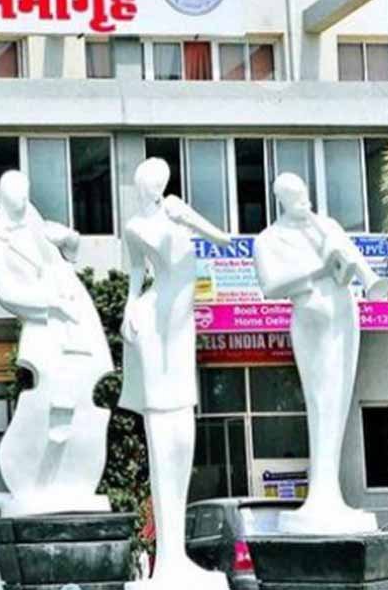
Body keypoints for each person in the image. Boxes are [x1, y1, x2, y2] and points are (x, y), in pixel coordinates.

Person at [120, 157, 231, 590]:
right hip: (154, 322)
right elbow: (136, 272)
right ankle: (167, 559)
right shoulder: (135, 228)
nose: (155, 188)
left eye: (160, 182)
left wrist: (188, 219)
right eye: (150, 182)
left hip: (181, 329)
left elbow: (222, 240)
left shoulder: (177, 215)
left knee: (183, 437)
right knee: (162, 433)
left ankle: (176, 555)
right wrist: (129, 307)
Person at [254, 172, 385, 535]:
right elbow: (271, 286)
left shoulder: (326, 225)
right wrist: (319, 269)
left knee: (339, 402)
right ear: (282, 200)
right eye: (296, 198)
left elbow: (350, 259)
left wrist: (362, 274)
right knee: (321, 402)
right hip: (311, 320)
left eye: (305, 195)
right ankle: (320, 494)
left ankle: (331, 492)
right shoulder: (269, 239)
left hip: (344, 313)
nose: (305, 203)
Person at [0, 170, 113, 516]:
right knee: (51, 393)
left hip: (78, 316)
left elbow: (71, 254)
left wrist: (69, 238)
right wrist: (50, 304)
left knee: (82, 389)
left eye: (26, 197)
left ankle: (75, 472)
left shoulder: (34, 219)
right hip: (44, 323)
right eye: (18, 199)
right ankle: (39, 474)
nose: (24, 204)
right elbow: (8, 294)